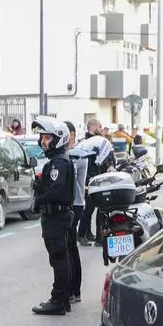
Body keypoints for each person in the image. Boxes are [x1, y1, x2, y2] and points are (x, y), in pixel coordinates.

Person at [29, 117, 75, 316]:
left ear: (58, 139)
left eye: (47, 138)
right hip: (56, 217)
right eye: (42, 138)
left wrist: (39, 200)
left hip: (56, 217)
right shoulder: (57, 162)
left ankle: (58, 300)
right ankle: (63, 299)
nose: (43, 142)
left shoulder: (58, 164)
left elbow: (56, 192)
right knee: (60, 258)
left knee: (58, 259)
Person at [77, 120, 114, 246]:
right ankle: (82, 234)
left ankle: (90, 234)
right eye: (99, 126)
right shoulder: (90, 143)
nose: (102, 128)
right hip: (90, 179)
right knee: (90, 208)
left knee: (94, 208)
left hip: (97, 178)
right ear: (92, 128)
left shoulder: (95, 142)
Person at [65, 121, 86, 304]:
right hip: (71, 204)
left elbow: (68, 175)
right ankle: (73, 289)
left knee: (70, 247)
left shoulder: (78, 154)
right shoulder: (68, 154)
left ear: (71, 134)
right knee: (70, 246)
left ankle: (74, 289)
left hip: (76, 204)